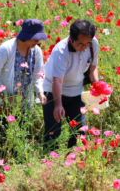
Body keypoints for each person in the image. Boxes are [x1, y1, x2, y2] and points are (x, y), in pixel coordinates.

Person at [0, 18, 48, 159]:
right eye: (36, 38)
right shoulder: (6, 48)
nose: (38, 42)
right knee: (3, 133)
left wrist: (40, 92)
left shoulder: (37, 51)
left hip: (25, 100)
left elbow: (39, 74)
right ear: (26, 36)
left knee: (22, 132)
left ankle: (18, 161)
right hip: (6, 100)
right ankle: (0, 162)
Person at [42, 20, 99, 152]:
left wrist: (97, 84)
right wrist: (57, 105)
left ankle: (74, 158)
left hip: (76, 91)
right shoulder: (61, 50)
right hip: (52, 90)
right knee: (53, 130)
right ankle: (51, 159)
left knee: (79, 130)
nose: (84, 47)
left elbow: (93, 67)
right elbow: (57, 81)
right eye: (80, 44)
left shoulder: (92, 45)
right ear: (71, 38)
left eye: (87, 43)